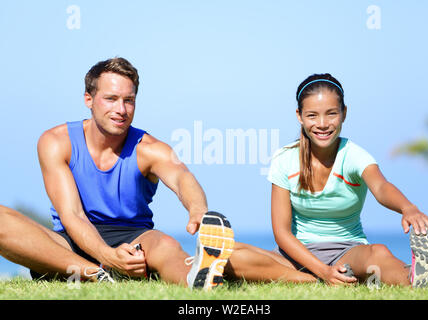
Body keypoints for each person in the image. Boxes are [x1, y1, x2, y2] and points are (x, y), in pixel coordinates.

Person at [0, 57, 316, 289]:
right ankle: (98, 273)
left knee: (165, 245)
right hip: (72, 241)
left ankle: (197, 279)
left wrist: (198, 211)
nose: (120, 109)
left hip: (137, 239)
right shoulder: (56, 142)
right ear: (89, 100)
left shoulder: (149, 148)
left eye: (129, 100)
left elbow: (181, 178)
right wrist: (108, 257)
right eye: (111, 99)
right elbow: (72, 216)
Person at [268, 73, 428, 287]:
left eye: (331, 114)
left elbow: (381, 186)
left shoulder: (355, 156)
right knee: (235, 254)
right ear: (300, 116)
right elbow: (282, 233)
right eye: (312, 115)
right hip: (296, 256)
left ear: (344, 113)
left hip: (347, 252)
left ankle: (414, 278)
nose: (322, 124)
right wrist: (324, 271)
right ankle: (326, 278)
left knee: (377, 253)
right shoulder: (284, 159)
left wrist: (408, 208)